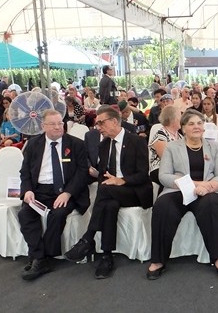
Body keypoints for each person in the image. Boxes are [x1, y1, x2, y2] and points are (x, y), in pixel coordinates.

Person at [64, 106, 153, 279]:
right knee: (109, 205)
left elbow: (143, 174)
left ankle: (88, 238)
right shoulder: (104, 145)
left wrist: (122, 180)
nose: (97, 127)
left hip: (135, 191)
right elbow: (103, 175)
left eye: (101, 123)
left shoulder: (136, 141)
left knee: (105, 189)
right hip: (112, 193)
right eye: (97, 124)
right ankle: (107, 256)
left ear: (114, 121)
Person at [147, 110, 218, 280]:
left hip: (208, 191)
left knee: (211, 205)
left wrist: (209, 187)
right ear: (183, 128)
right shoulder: (172, 147)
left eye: (199, 123)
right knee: (163, 207)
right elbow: (163, 176)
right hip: (178, 190)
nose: (196, 127)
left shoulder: (213, 147)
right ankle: (158, 260)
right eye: (191, 124)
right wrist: (196, 184)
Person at [18, 110, 89, 281]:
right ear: (43, 126)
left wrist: (68, 193)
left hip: (66, 191)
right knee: (25, 215)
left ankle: (44, 258)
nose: (58, 127)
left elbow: (82, 173)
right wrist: (27, 190)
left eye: (60, 123)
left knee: (57, 215)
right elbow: (25, 172)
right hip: (40, 191)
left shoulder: (76, 144)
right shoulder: (34, 144)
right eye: (53, 124)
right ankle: (40, 257)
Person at [148, 105, 182, 184]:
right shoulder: (161, 134)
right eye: (180, 116)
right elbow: (165, 158)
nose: (182, 119)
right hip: (160, 169)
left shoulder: (180, 136)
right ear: (172, 119)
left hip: (177, 169)